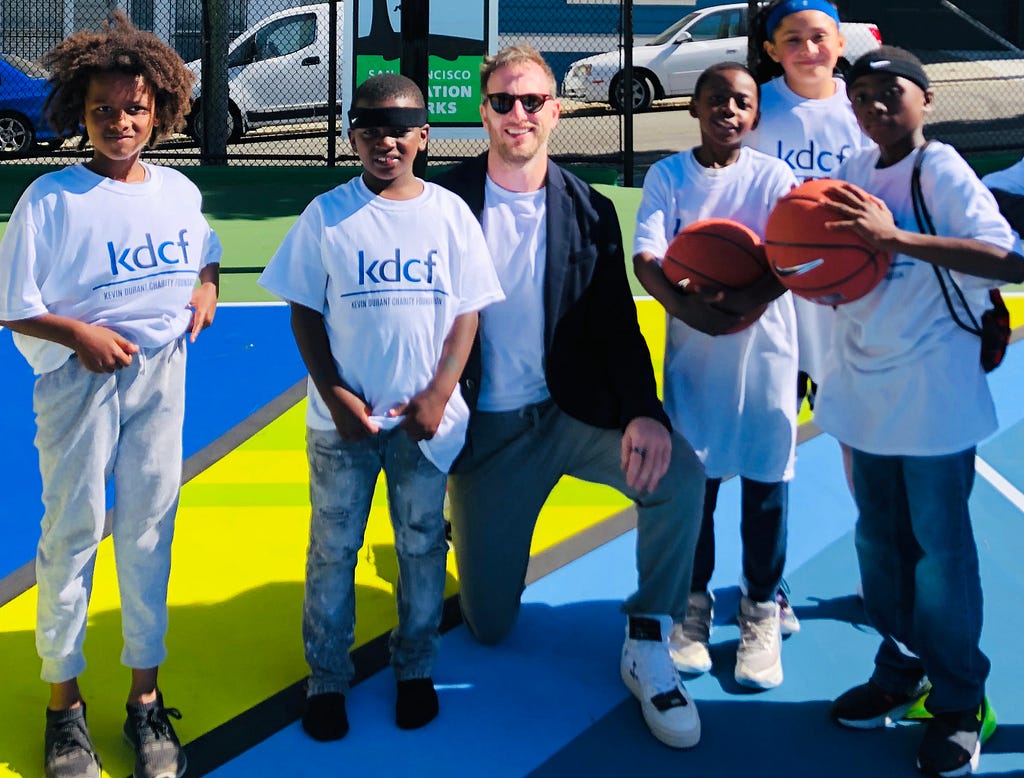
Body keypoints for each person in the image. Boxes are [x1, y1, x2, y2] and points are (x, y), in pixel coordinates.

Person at [437, 44, 707, 750]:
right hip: (487, 430)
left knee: (680, 475)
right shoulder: (443, 202)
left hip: (572, 412)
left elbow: (618, 323)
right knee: (489, 627)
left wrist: (644, 412)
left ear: (556, 111)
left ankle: (648, 634)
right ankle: (458, 519)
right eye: (503, 101)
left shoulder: (587, 208)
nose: (517, 114)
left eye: (532, 101)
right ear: (484, 112)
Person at [0, 12, 220, 778]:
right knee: (72, 532)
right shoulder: (50, 200)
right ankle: (64, 707)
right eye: (103, 110)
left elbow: (205, 248)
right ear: (77, 112)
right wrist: (79, 337)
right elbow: (16, 303)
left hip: (162, 376)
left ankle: (144, 700)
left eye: (134, 109)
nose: (120, 122)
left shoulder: (179, 190)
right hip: (80, 382)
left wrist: (207, 283)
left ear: (159, 109)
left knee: (151, 532)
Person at [258, 73, 503, 743]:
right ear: (351, 137)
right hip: (343, 426)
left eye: (400, 128)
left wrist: (438, 392)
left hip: (422, 425)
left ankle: (415, 667)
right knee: (333, 550)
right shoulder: (326, 215)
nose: (384, 140)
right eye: (369, 127)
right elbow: (304, 310)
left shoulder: (450, 215)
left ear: (425, 136)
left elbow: (466, 313)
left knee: (422, 547)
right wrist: (335, 393)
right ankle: (327, 678)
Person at [816, 47, 1024, 776]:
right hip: (864, 393)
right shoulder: (852, 173)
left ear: (925, 98)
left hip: (933, 397)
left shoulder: (939, 169)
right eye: (862, 93)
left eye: (889, 90)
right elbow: (826, 261)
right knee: (879, 548)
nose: (873, 103)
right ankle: (902, 666)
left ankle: (962, 699)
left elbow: (1009, 258)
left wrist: (895, 238)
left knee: (940, 556)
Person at [633, 62, 798, 690]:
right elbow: (648, 257)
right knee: (695, 488)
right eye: (716, 100)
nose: (729, 111)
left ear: (754, 114)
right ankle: (692, 607)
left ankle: (759, 609)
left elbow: (793, 256)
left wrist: (745, 300)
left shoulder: (774, 176)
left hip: (765, 354)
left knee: (765, 484)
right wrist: (689, 310)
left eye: (742, 102)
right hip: (696, 358)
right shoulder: (667, 176)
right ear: (694, 108)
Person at [745, 0, 876, 627]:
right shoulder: (755, 108)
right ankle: (768, 587)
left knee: (861, 444)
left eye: (819, 36)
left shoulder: (863, 107)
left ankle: (879, 574)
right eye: (792, 39)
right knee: (775, 444)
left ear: (839, 41)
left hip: (848, 304)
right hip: (777, 307)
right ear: (772, 49)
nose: (807, 48)